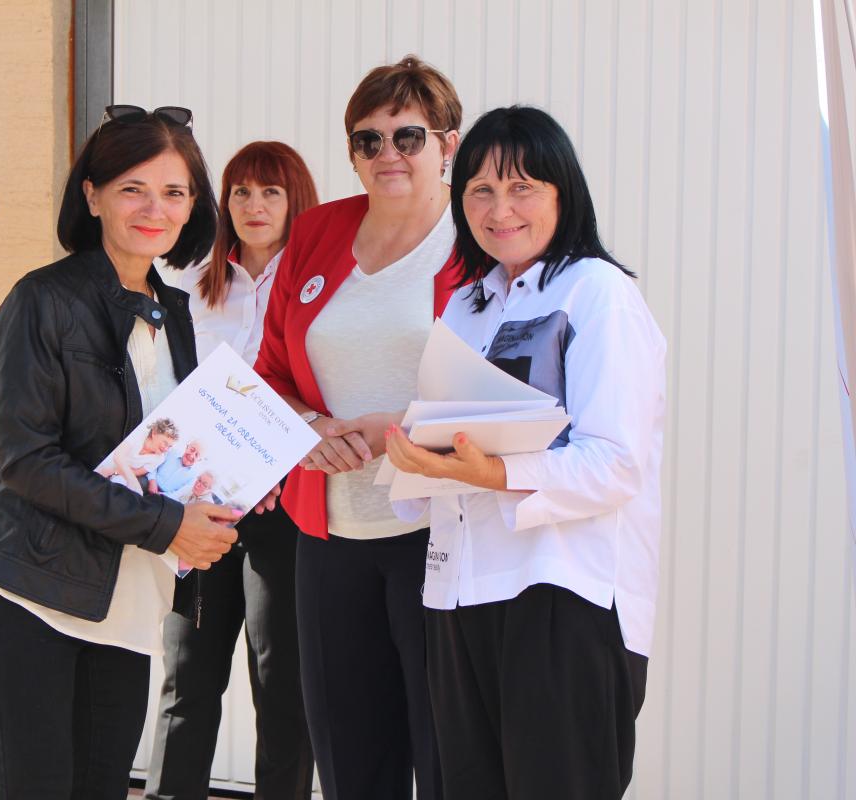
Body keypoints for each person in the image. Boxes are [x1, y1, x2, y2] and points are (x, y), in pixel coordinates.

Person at [385, 105, 665, 800]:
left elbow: (615, 462)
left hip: (562, 592)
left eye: (521, 188)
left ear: (563, 193)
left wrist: (494, 472)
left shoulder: (598, 293)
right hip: (459, 591)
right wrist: (411, 457)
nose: (499, 209)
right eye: (480, 190)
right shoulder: (467, 305)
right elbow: (446, 439)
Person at [0, 105, 243, 800]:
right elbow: (24, 460)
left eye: (174, 192)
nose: (155, 209)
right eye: (132, 189)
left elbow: (167, 447)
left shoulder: (173, 312)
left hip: (129, 602)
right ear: (92, 196)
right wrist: (167, 525)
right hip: (36, 597)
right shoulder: (41, 302)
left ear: (192, 206)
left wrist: (228, 489)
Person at [253, 57, 463, 800]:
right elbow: (269, 373)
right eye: (367, 140)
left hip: (440, 532)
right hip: (329, 536)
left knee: (447, 755)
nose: (387, 154)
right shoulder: (317, 231)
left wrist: (397, 431)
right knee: (350, 761)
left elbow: (506, 391)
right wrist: (307, 427)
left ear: (448, 144)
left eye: (408, 136)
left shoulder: (475, 239)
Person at [145, 141, 319, 800]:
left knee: (283, 688)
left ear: (296, 200)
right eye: (241, 192)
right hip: (202, 508)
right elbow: (166, 388)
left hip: (284, 509)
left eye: (271, 191)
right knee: (187, 678)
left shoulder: (318, 289)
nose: (253, 205)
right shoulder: (191, 285)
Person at [98, 418, 180, 492]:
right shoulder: (138, 433)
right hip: (106, 458)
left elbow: (136, 472)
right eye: (165, 443)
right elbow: (118, 455)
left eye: (169, 446)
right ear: (154, 433)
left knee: (119, 484)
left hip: (121, 473)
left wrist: (114, 472)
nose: (166, 449)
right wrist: (133, 482)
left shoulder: (160, 458)